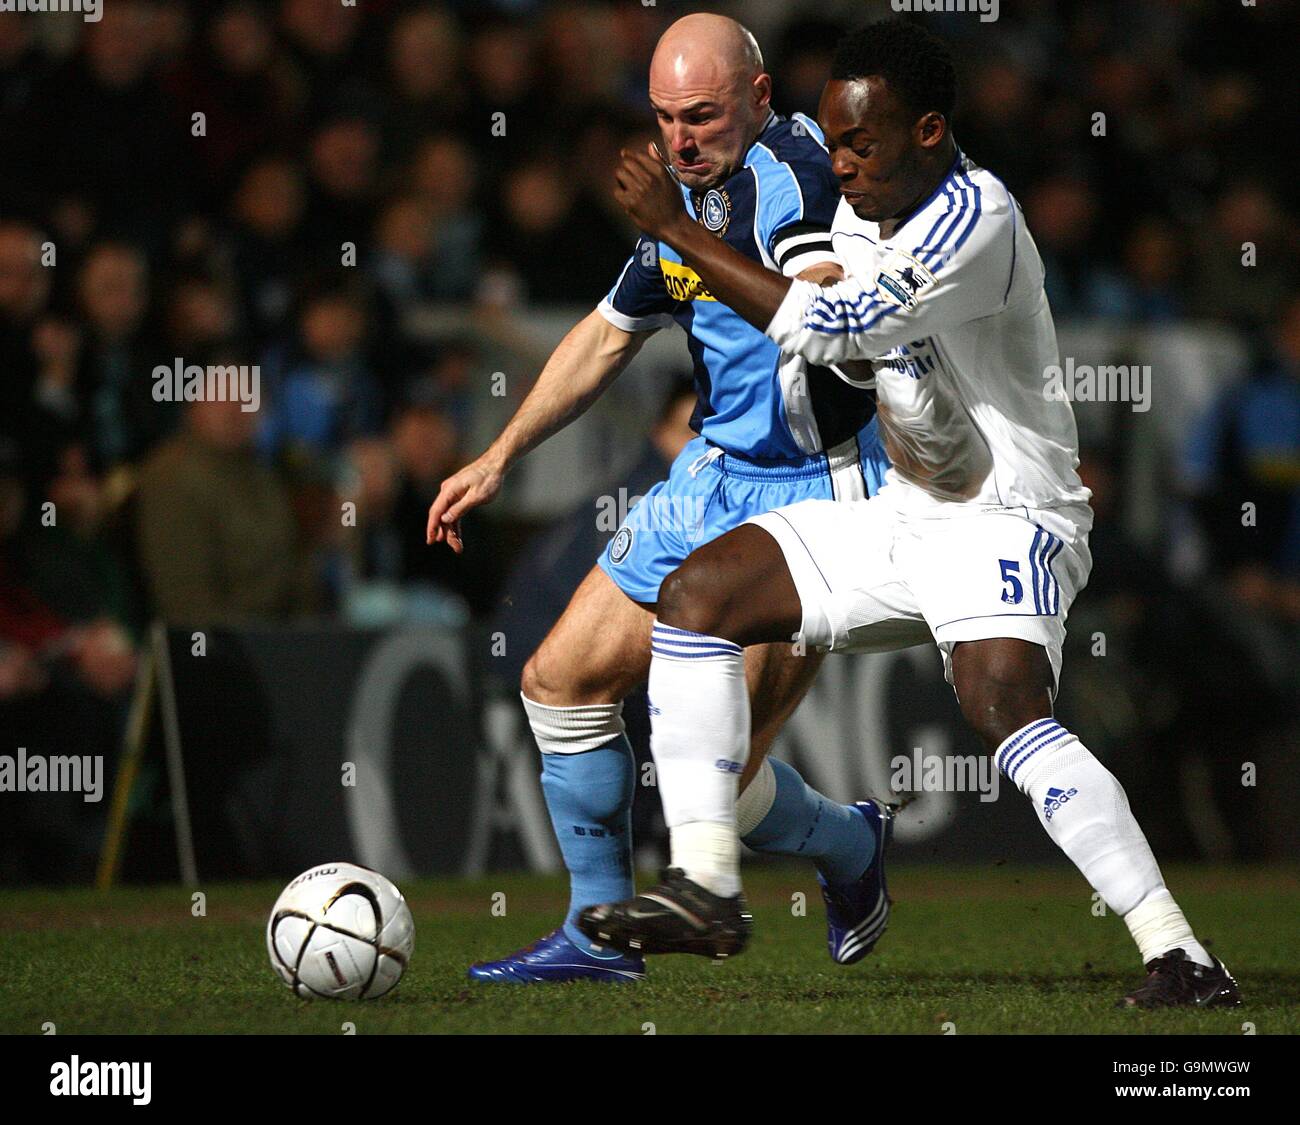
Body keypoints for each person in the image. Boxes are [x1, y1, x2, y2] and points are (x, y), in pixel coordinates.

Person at [583, 20, 1241, 1010]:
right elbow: (840, 350)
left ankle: (1179, 954)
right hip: (909, 511)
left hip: (1010, 516)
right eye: (835, 145)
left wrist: (679, 232)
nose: (843, 167)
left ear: (930, 131)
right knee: (696, 594)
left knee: (1001, 706)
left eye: (864, 146)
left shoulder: (974, 217)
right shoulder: (858, 217)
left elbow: (831, 322)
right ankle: (706, 886)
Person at [428, 14, 893, 984]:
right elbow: (607, 334)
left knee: (725, 790)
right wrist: (500, 453)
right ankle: (598, 935)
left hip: (814, 492)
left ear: (760, 101)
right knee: (558, 685)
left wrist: (677, 230)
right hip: (712, 475)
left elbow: (821, 318)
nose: (679, 139)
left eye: (703, 116)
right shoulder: (698, 192)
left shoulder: (793, 179)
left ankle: (849, 847)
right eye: (665, 118)